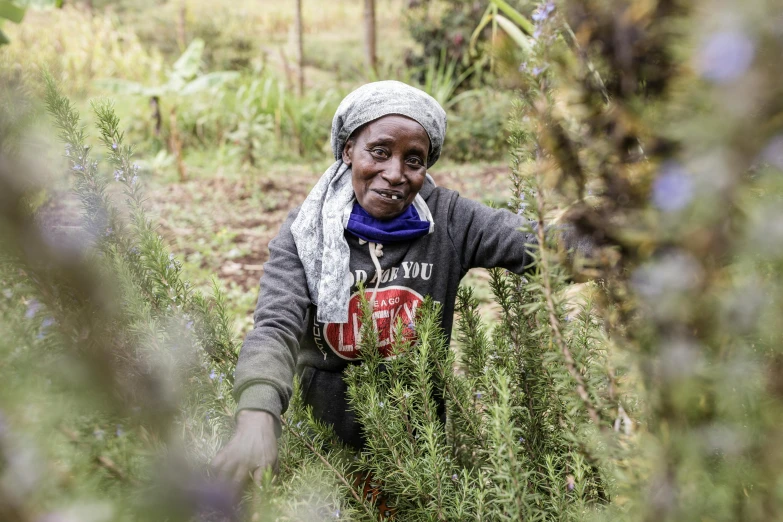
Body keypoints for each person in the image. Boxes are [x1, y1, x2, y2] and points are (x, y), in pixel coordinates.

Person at [211, 80, 542, 485]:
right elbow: (275, 326)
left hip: (419, 460)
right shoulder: (306, 232)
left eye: (414, 160)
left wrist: (614, 238)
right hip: (323, 452)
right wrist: (258, 415)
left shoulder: (449, 221)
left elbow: (535, 243)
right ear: (349, 149)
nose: (395, 174)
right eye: (380, 152)